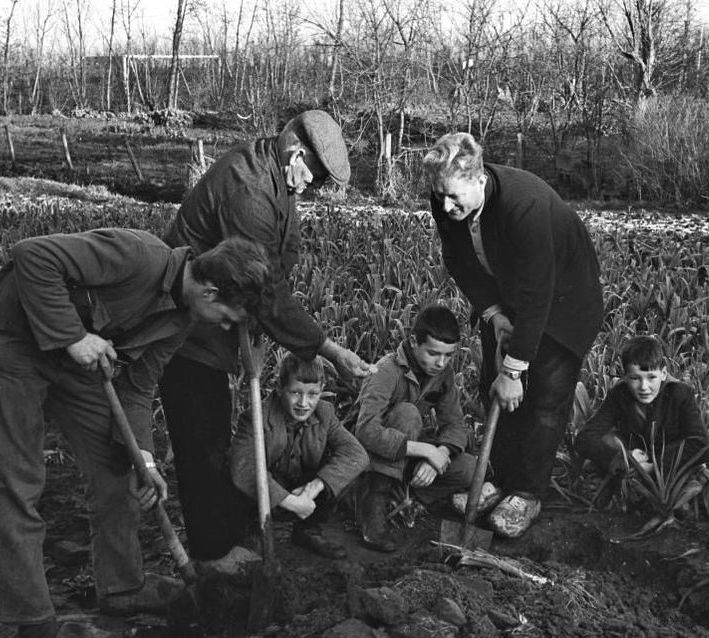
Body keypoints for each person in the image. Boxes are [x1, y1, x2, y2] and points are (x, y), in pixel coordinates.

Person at [0, 229, 273, 638]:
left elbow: (138, 388)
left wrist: (143, 460)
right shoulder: (137, 255)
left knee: (118, 466)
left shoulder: (182, 320)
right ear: (211, 292)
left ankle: (122, 587)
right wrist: (73, 338)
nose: (225, 328)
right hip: (9, 339)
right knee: (15, 482)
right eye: (229, 319)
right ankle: (31, 619)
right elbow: (32, 255)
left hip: (74, 362)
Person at [160, 110, 376, 569]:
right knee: (204, 440)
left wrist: (261, 328)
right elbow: (269, 291)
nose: (310, 189)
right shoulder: (250, 191)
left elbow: (283, 256)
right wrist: (327, 348)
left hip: (224, 320)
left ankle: (227, 534)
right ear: (296, 152)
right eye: (313, 178)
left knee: (216, 436)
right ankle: (212, 553)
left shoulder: (276, 174)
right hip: (193, 326)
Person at [421, 133, 604, 538]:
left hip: (563, 303)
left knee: (542, 397)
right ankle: (499, 481)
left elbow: (539, 295)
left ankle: (527, 493)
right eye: (440, 196)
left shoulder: (524, 206)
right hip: (506, 294)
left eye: (453, 196)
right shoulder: (445, 198)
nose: (446, 206)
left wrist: (516, 367)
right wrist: (493, 314)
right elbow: (458, 260)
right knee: (494, 388)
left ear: (479, 178)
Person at [352, 304, 477, 552]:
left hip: (404, 454)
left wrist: (439, 454)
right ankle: (373, 503)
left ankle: (405, 500)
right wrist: (424, 450)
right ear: (413, 342)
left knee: (469, 468)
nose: (441, 363)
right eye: (433, 353)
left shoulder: (443, 374)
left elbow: (454, 424)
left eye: (448, 355)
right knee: (408, 414)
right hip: (367, 461)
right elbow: (365, 431)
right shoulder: (387, 370)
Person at [229, 353, 369, 559]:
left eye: (312, 394)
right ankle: (252, 536)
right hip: (266, 492)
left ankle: (307, 531)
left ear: (321, 391)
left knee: (340, 470)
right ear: (279, 389)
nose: (304, 403)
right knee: (235, 474)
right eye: (295, 393)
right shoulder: (256, 417)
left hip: (302, 488)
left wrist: (314, 488)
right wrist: (291, 502)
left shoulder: (324, 413)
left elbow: (356, 454)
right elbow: (243, 468)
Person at [574, 335, 709, 502]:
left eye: (651, 377)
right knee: (608, 441)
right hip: (634, 461)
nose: (644, 387)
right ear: (625, 377)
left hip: (668, 464)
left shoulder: (681, 394)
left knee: (695, 480)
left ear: (663, 373)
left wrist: (654, 466)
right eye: (635, 378)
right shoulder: (619, 394)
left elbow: (702, 443)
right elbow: (585, 438)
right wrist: (625, 458)